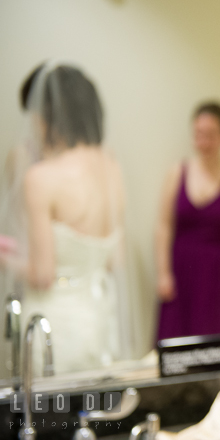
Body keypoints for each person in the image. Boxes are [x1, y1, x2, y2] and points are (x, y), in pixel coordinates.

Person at [0, 62, 130, 374]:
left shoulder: (41, 178)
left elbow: (42, 274)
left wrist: (6, 259)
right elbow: (114, 260)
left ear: (47, 117)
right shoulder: (111, 168)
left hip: (54, 325)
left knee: (49, 418)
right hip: (99, 321)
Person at [156, 101, 220, 340]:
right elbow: (163, 227)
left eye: (210, 135)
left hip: (219, 276)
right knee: (178, 347)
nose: (203, 142)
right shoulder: (176, 172)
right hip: (182, 271)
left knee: (218, 345)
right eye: (198, 134)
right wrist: (163, 272)